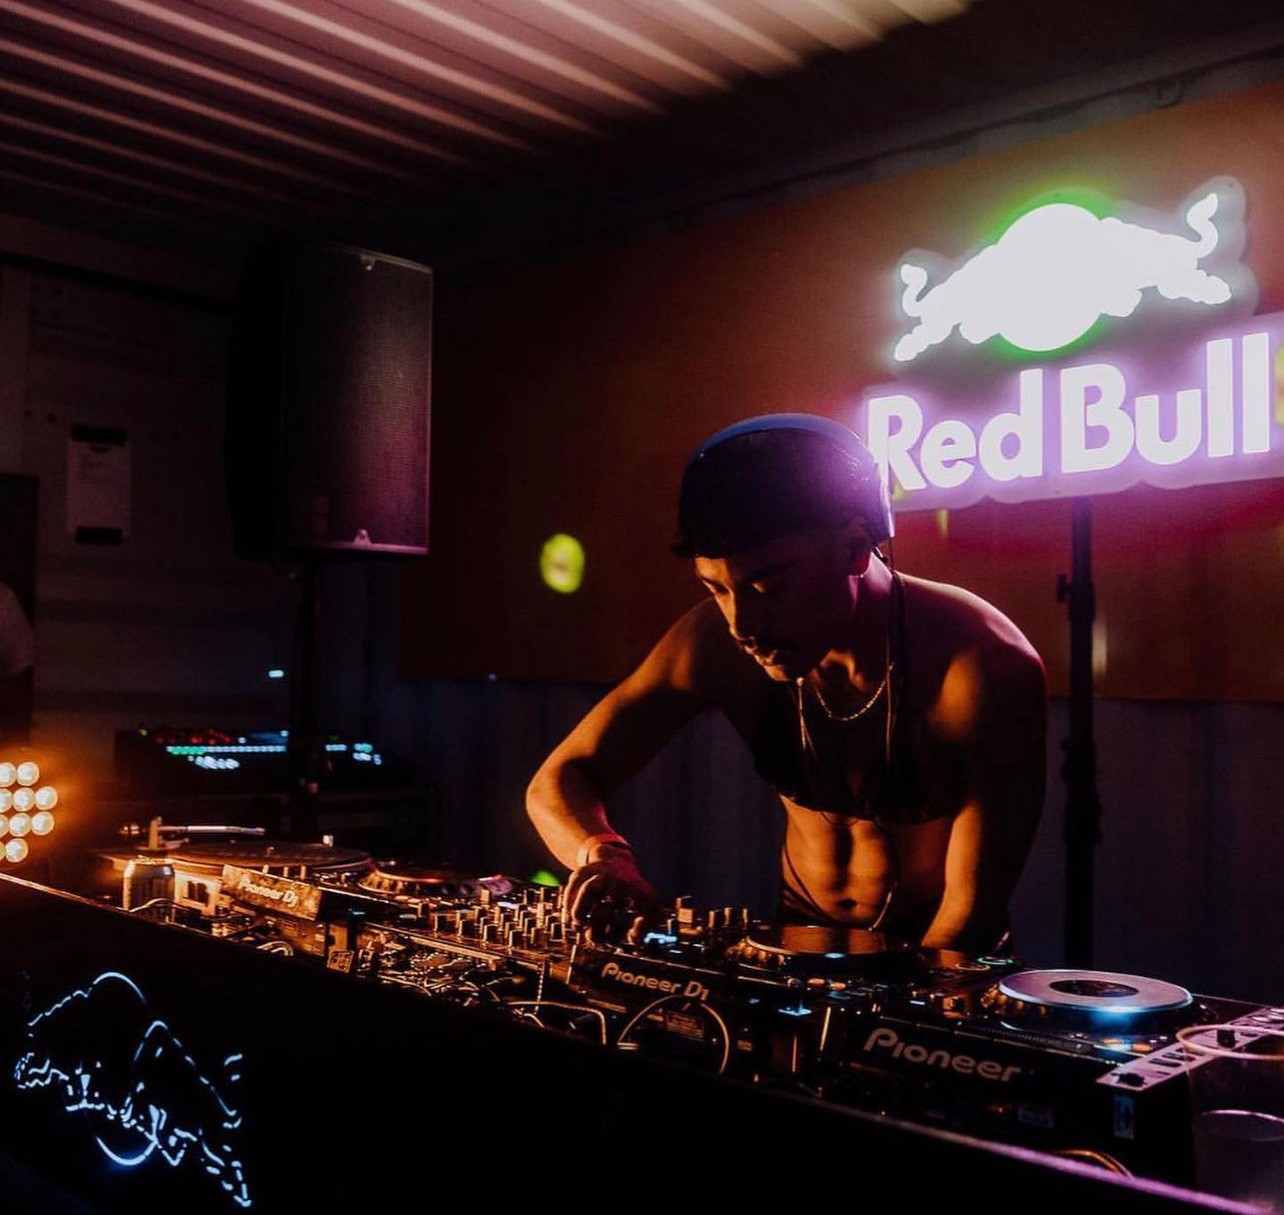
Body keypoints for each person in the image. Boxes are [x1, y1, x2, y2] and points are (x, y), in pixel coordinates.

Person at [525, 413, 1046, 955]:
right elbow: (558, 779)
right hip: (796, 941)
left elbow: (971, 912)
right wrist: (602, 852)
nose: (742, 625)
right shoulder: (712, 641)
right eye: (717, 590)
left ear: (854, 546)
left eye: (767, 586)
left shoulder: (983, 665)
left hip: (941, 959)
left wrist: (887, 1017)